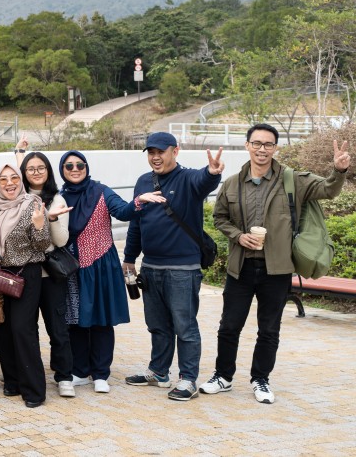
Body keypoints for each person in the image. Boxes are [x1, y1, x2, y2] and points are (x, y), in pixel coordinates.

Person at [201, 125, 349, 404]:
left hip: (277, 269)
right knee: (229, 326)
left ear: (275, 148)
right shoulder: (232, 183)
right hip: (240, 267)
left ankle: (260, 379)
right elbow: (220, 218)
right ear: (247, 146)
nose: (262, 149)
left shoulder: (292, 180)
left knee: (269, 329)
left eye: (268, 144)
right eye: (256, 143)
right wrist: (238, 236)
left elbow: (328, 190)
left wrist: (338, 171)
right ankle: (223, 376)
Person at [123, 132, 224, 402]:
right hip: (151, 267)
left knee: (185, 327)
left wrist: (213, 172)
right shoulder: (144, 182)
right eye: (151, 152)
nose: (155, 157)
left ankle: (188, 378)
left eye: (161, 151)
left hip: (183, 269)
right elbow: (136, 222)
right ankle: (158, 371)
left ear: (175, 151)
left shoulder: (188, 178)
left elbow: (204, 181)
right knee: (157, 325)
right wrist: (130, 258)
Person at [60, 151, 163, 394]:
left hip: (101, 265)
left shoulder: (101, 191)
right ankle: (80, 371)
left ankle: (100, 373)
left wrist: (140, 200)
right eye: (69, 165)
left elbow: (122, 211)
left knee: (101, 320)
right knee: (76, 321)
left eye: (79, 164)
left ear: (86, 166)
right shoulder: (60, 196)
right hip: (72, 268)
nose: (75, 169)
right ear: (62, 170)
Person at [0, 163, 51, 407]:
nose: (9, 183)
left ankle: (34, 390)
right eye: (3, 180)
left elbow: (42, 246)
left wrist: (38, 225)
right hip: (2, 274)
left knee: (22, 330)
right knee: (4, 331)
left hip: (27, 274)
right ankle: (12, 382)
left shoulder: (32, 205)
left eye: (14, 178)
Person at [20, 151, 75, 398]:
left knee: (58, 328)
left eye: (40, 167)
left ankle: (64, 376)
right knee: (26, 329)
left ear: (48, 171)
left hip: (51, 275)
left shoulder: (58, 199)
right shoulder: (18, 199)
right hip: (25, 273)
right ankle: (28, 373)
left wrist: (51, 219)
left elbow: (62, 239)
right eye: (30, 168)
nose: (36, 172)